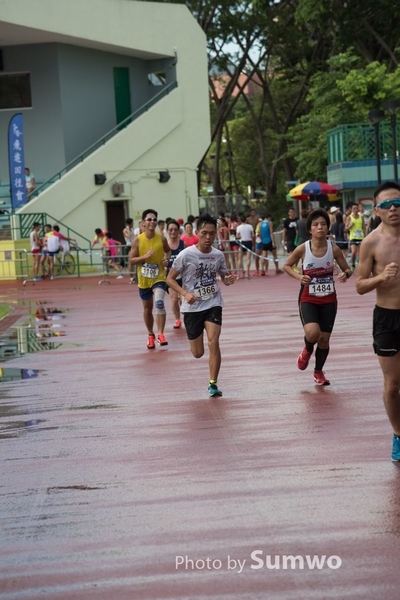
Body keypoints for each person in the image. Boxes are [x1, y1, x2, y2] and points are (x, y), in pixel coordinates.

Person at [166, 213, 235, 397]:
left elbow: (224, 276)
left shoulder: (218, 255)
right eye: (204, 233)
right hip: (192, 307)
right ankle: (204, 364)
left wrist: (228, 280)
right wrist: (185, 294)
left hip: (213, 302)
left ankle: (213, 383)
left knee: (214, 341)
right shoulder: (185, 255)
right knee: (197, 352)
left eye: (212, 234)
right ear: (197, 232)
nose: (208, 237)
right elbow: (170, 279)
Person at [355, 181, 400, 461]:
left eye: (398, 203)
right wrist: (381, 278)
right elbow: (359, 285)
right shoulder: (371, 242)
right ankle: (398, 433)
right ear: (377, 210)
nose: (394, 208)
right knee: (393, 385)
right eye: (386, 205)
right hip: (386, 318)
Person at [283, 208, 352, 386]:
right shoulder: (303, 248)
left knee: (324, 339)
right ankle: (306, 350)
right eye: (315, 225)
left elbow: (347, 268)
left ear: (328, 228)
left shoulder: (333, 248)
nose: (320, 227)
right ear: (310, 229)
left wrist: (345, 274)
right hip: (308, 298)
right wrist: (299, 276)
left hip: (329, 299)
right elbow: (287, 266)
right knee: (313, 333)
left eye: (323, 224)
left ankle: (318, 371)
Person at [129, 209, 171, 349]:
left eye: (154, 219)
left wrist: (166, 259)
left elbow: (168, 250)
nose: (152, 222)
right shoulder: (138, 240)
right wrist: (145, 256)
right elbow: (131, 260)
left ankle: (161, 333)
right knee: (148, 309)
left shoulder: (162, 238)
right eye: (149, 219)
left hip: (158, 277)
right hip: (144, 279)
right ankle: (150, 335)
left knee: (159, 303)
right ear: (143, 223)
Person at [166, 219, 186, 329]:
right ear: (167, 231)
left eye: (175, 230)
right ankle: (177, 319)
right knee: (174, 300)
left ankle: (186, 317)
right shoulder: (165, 246)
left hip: (183, 277)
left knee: (183, 299)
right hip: (170, 277)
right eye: (170, 230)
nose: (173, 232)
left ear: (179, 231)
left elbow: (189, 259)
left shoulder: (183, 244)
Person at [345, 203, 365, 270]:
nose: (355, 210)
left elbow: (364, 227)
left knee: (360, 253)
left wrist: (365, 236)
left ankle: (359, 265)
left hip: (360, 237)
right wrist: (350, 225)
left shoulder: (361, 217)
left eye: (357, 208)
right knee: (353, 252)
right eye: (354, 208)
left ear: (358, 209)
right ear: (351, 210)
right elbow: (346, 228)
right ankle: (353, 264)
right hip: (353, 237)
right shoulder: (349, 217)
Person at [236, 214, 254, 278]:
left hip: (242, 242)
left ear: (240, 220)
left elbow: (237, 236)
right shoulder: (250, 226)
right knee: (248, 258)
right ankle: (247, 272)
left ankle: (238, 273)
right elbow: (252, 235)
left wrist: (241, 236)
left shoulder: (238, 227)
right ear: (246, 219)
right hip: (249, 242)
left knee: (239, 259)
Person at [123, 218, 136, 283]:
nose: (133, 224)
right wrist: (128, 229)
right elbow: (128, 236)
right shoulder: (125, 230)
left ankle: (135, 276)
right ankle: (131, 277)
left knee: (136, 261)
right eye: (132, 223)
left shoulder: (133, 229)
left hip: (134, 245)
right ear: (130, 223)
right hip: (129, 246)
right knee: (130, 262)